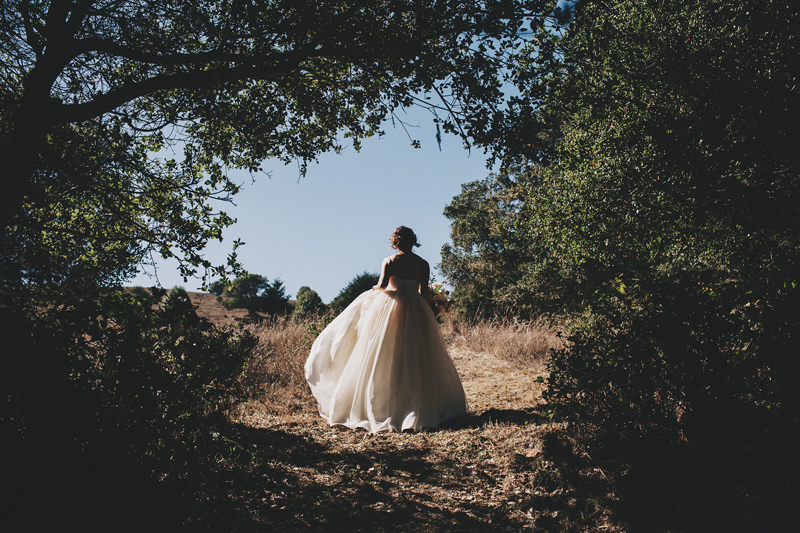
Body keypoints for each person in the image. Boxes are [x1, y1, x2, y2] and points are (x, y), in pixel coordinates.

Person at [305, 226, 467, 432]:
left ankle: (384, 407)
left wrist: (375, 291)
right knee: (416, 355)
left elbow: (382, 285)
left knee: (383, 354)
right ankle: (416, 408)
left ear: (395, 242)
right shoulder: (422, 264)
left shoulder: (390, 261)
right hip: (416, 308)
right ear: (413, 242)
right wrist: (433, 308)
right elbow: (424, 291)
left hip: (390, 307)